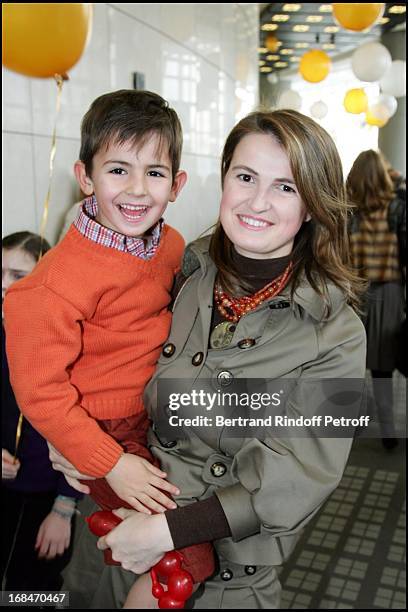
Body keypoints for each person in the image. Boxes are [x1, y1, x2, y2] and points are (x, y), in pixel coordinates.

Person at [50, 109, 367, 609]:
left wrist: (170, 531)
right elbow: (95, 360)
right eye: (245, 177)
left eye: (286, 187)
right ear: (224, 179)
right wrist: (77, 442)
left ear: (312, 205)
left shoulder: (338, 332)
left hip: (223, 577)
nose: (257, 202)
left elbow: (303, 474)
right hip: (113, 540)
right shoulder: (177, 268)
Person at [3, 90, 214, 607]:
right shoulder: (52, 284)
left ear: (178, 183)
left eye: (155, 173)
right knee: (191, 555)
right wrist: (109, 462)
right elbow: (41, 396)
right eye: (118, 170)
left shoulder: (169, 245)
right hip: (110, 431)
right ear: (86, 177)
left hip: (158, 412)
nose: (138, 190)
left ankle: (112, 522)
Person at [2, 232, 81, 592]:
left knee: (34, 590)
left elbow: (82, 427)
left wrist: (64, 508)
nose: (4, 285)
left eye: (18, 275)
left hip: (48, 498)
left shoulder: (67, 343)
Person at [347, 149, 406, 450]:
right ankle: (387, 429)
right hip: (390, 293)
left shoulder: (348, 211)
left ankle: (349, 428)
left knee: (351, 363)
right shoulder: (396, 208)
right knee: (383, 368)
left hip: (355, 293)